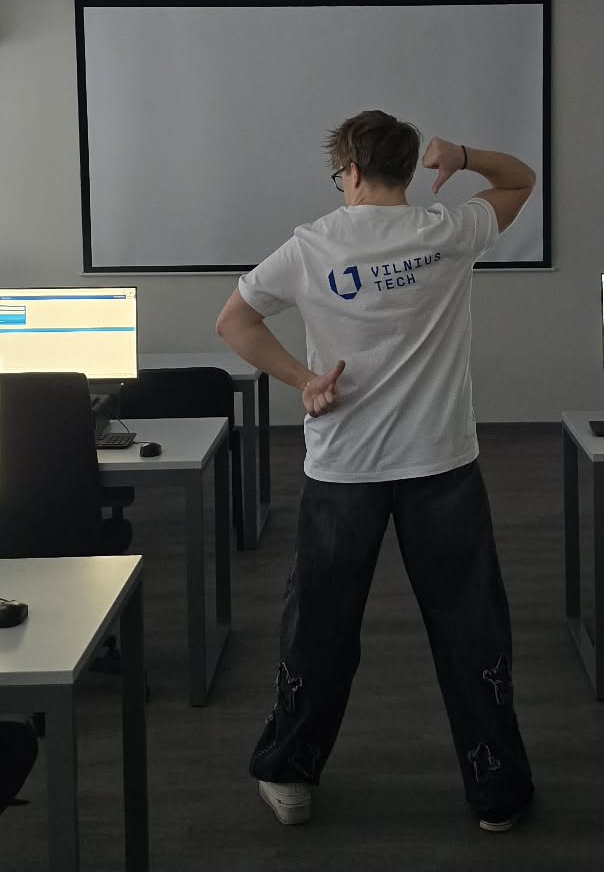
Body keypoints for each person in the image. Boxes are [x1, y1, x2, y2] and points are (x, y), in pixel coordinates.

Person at [215, 109, 537, 832]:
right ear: (406, 169)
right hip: (441, 463)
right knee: (470, 628)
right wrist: (463, 155)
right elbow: (522, 180)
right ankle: (497, 792)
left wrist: (304, 380)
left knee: (320, 626)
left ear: (353, 171)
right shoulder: (448, 230)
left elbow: (233, 321)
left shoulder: (311, 246)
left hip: (344, 468)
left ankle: (290, 775)